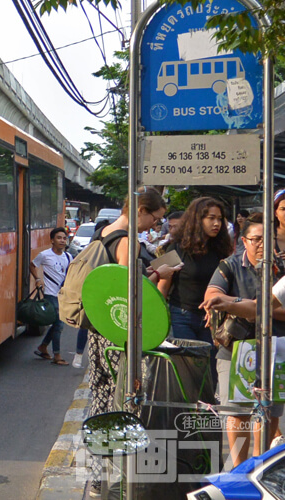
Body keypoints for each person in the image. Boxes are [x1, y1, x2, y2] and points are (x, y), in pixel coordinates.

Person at [86, 187, 181, 497]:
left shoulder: (104, 232)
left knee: (101, 401)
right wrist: (160, 273)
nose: (154, 226)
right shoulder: (127, 240)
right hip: (119, 336)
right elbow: (128, 293)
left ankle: (99, 477)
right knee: (127, 401)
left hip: (99, 329)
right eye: (155, 219)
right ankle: (123, 480)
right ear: (140, 210)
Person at [200, 212, 285, 467]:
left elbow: (268, 307)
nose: (261, 244)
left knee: (269, 412)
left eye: (266, 239)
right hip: (236, 347)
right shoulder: (231, 264)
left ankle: (262, 468)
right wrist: (233, 304)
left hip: (276, 345)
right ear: (244, 240)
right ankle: (239, 469)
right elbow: (212, 293)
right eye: (255, 239)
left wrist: (233, 304)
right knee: (237, 413)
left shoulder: (282, 267)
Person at [159, 197, 233, 345]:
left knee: (209, 365)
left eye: (219, 219)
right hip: (181, 316)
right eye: (211, 218)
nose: (216, 223)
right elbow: (162, 284)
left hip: (212, 318)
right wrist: (158, 316)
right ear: (197, 219)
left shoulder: (223, 249)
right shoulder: (174, 247)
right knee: (187, 364)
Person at [30, 227, 72, 366]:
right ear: (52, 240)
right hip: (50, 294)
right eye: (59, 238)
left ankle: (43, 347)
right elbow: (32, 265)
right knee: (59, 324)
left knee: (56, 324)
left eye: (64, 238)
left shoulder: (68, 257)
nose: (62, 240)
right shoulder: (44, 255)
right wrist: (37, 279)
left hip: (62, 296)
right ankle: (57, 355)